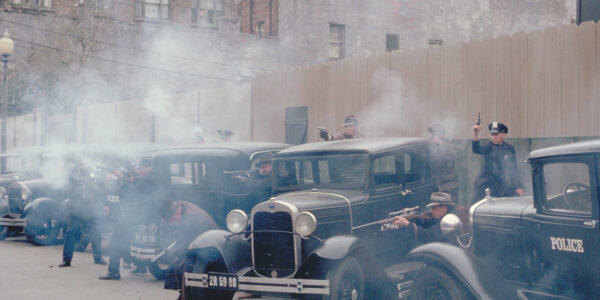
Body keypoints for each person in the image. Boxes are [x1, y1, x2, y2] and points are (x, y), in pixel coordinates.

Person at [99, 160, 157, 280]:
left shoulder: (151, 179)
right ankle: (140, 267)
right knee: (137, 242)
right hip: (138, 215)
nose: (138, 171)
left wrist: (125, 179)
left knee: (115, 242)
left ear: (148, 167)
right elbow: (128, 194)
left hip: (139, 215)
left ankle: (113, 272)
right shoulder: (142, 179)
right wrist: (123, 180)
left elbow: (139, 190)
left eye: (141, 168)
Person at [161, 199, 218, 299]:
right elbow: (184, 238)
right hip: (198, 246)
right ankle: (183, 293)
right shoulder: (182, 208)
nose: (172, 224)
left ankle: (187, 297)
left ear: (175, 214)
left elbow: (191, 242)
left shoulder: (191, 216)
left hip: (210, 248)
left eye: (171, 221)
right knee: (176, 263)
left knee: (186, 265)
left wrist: (175, 251)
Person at [59, 156, 107, 267]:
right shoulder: (72, 173)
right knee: (70, 232)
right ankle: (66, 259)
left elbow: (100, 188)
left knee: (95, 233)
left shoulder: (93, 172)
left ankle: (98, 257)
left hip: (91, 206)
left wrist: (104, 203)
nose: (82, 161)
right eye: (80, 159)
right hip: (76, 207)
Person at [472, 121, 525, 202]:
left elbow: (513, 170)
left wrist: (518, 186)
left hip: (500, 183)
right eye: (492, 135)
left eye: (496, 134)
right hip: (486, 182)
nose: (494, 137)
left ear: (503, 134)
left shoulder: (509, 148)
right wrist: (476, 134)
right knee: (476, 204)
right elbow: (477, 149)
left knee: (511, 200)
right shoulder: (488, 146)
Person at [392, 192, 468, 244]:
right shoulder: (452, 213)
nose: (431, 211)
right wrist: (416, 218)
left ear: (444, 208)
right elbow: (430, 221)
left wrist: (407, 224)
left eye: (433, 208)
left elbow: (429, 236)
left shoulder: (450, 220)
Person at [427, 123, 459, 200]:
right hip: (438, 182)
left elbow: (440, 161)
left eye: (434, 135)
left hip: (447, 184)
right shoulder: (435, 146)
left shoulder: (448, 146)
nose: (432, 138)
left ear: (440, 136)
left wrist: (440, 144)